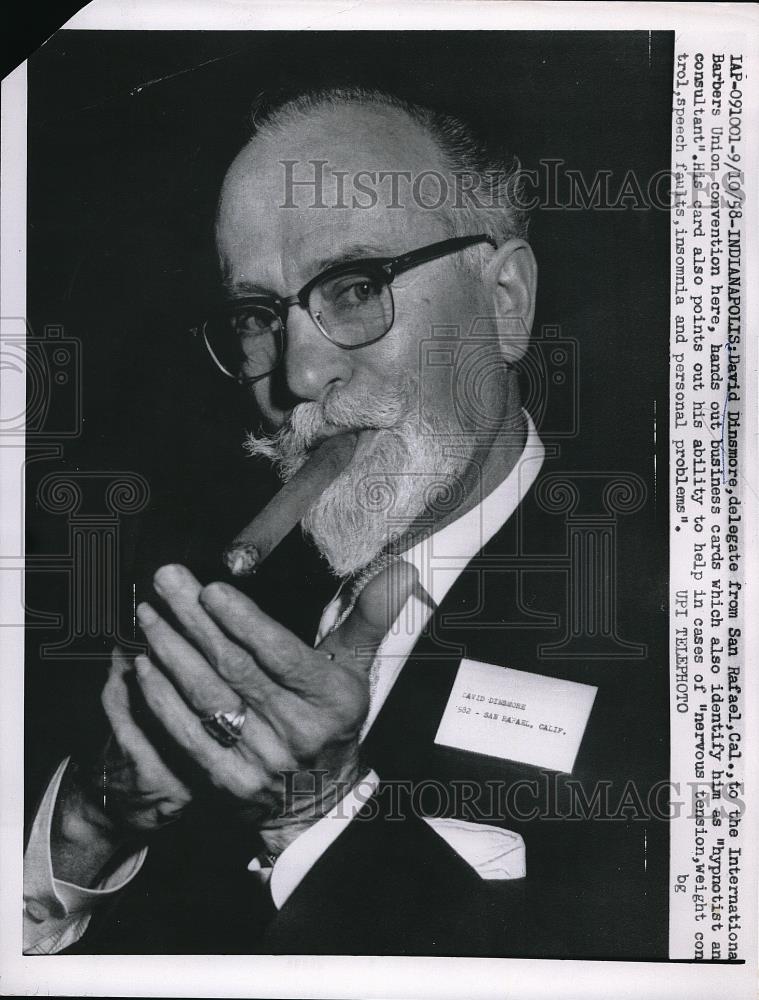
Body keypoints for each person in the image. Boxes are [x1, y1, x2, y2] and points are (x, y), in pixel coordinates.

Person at [23, 87, 666, 957]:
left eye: (357, 287)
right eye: (258, 315)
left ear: (506, 302)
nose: (298, 374)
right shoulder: (208, 594)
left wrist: (318, 817)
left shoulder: (681, 630)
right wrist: (93, 823)